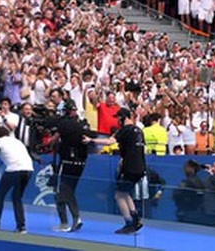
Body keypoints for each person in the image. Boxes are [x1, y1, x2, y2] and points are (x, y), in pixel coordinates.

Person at [85, 107, 146, 234]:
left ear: (123, 117)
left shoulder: (125, 130)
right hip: (140, 167)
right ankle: (136, 219)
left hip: (129, 167)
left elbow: (109, 141)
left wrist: (91, 140)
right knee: (126, 192)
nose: (117, 120)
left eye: (118, 117)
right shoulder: (139, 130)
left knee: (118, 195)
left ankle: (128, 222)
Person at [0, 125, 33, 234]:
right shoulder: (17, 141)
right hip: (28, 170)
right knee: (17, 197)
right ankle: (21, 227)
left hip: (14, 170)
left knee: (0, 196)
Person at [50, 100, 87, 232]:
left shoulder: (64, 124)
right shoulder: (82, 124)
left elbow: (53, 139)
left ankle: (75, 219)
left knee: (64, 190)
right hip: (79, 163)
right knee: (63, 191)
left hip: (67, 163)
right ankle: (65, 221)